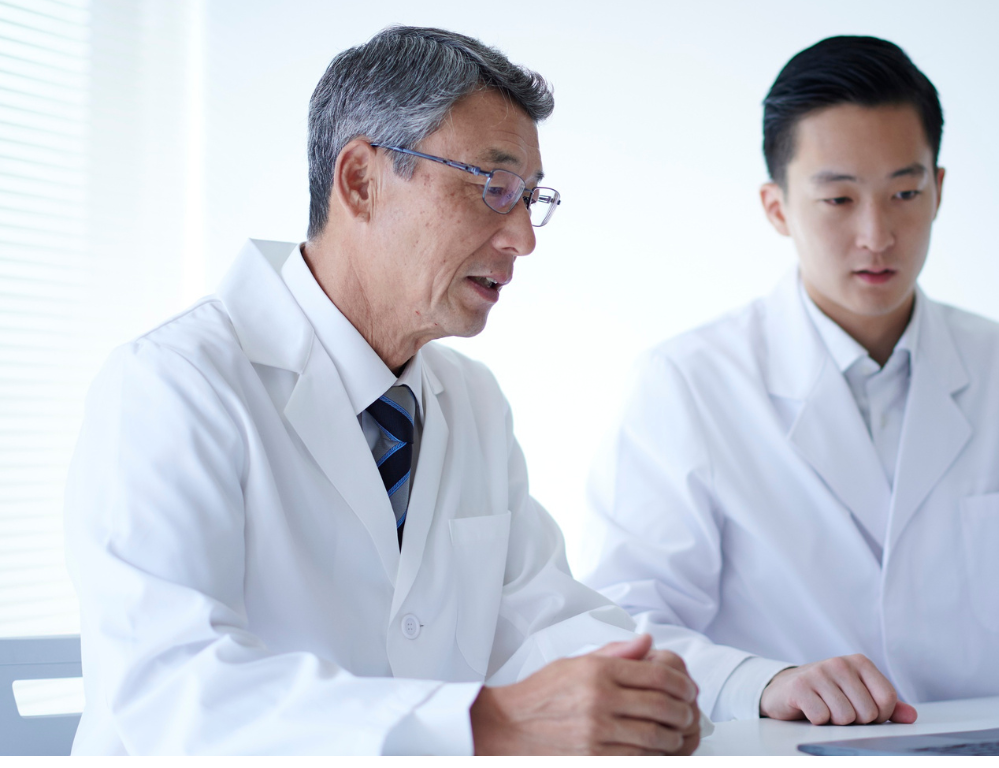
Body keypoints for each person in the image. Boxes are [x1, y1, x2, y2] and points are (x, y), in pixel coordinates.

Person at [64, 27, 703, 756]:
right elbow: (171, 691)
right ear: (361, 181)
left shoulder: (472, 402)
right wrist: (483, 723)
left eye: (530, 197)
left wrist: (641, 685)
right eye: (493, 187)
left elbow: (543, 619)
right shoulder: (171, 386)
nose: (523, 238)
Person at [580, 36, 999, 727]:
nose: (877, 234)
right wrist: (765, 684)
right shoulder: (687, 382)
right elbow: (627, 624)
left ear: (939, 190)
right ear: (777, 207)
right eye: (838, 199)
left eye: (905, 193)